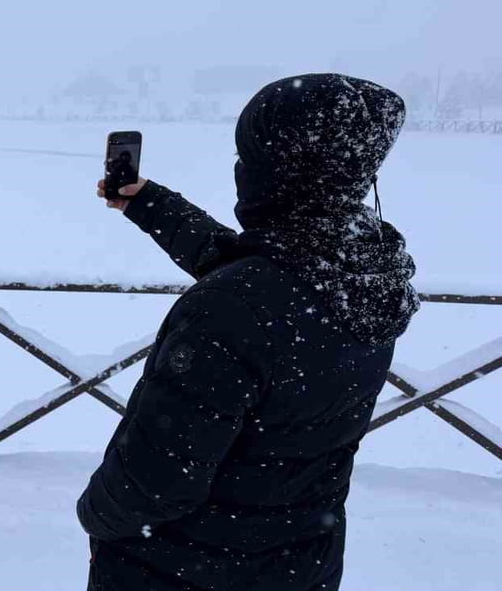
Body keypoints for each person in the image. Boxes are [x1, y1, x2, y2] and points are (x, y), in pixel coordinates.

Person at [79, 74, 418, 591]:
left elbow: (155, 485)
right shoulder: (364, 273)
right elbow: (260, 274)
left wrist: (95, 516)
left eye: (248, 159)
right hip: (299, 563)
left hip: (181, 570)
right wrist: (149, 203)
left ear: (276, 173)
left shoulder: (232, 309)